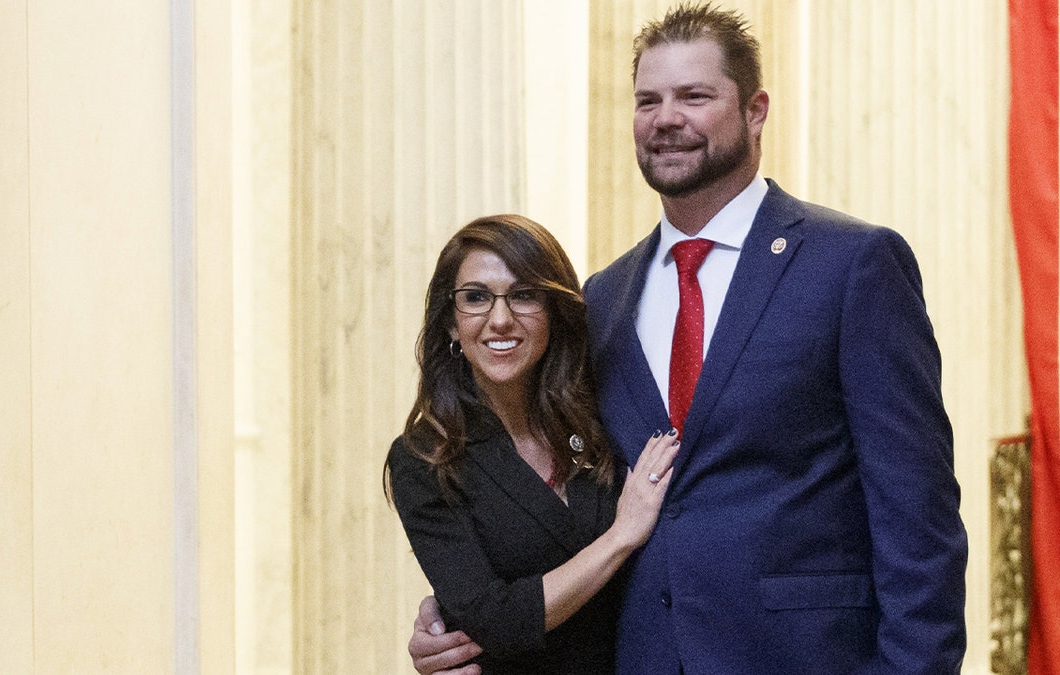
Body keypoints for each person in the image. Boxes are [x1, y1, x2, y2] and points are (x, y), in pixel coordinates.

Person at [407, 3, 968, 674]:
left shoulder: (852, 266)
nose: (665, 118)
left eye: (694, 96)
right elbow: (548, 492)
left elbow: (919, 518)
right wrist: (460, 613)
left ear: (756, 110)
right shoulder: (603, 297)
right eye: (648, 100)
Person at [386, 214, 681, 674]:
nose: (500, 319)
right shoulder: (425, 458)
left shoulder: (602, 417)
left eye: (524, 296)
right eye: (476, 298)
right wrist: (622, 536)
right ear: (450, 323)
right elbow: (495, 620)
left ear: (553, 312)